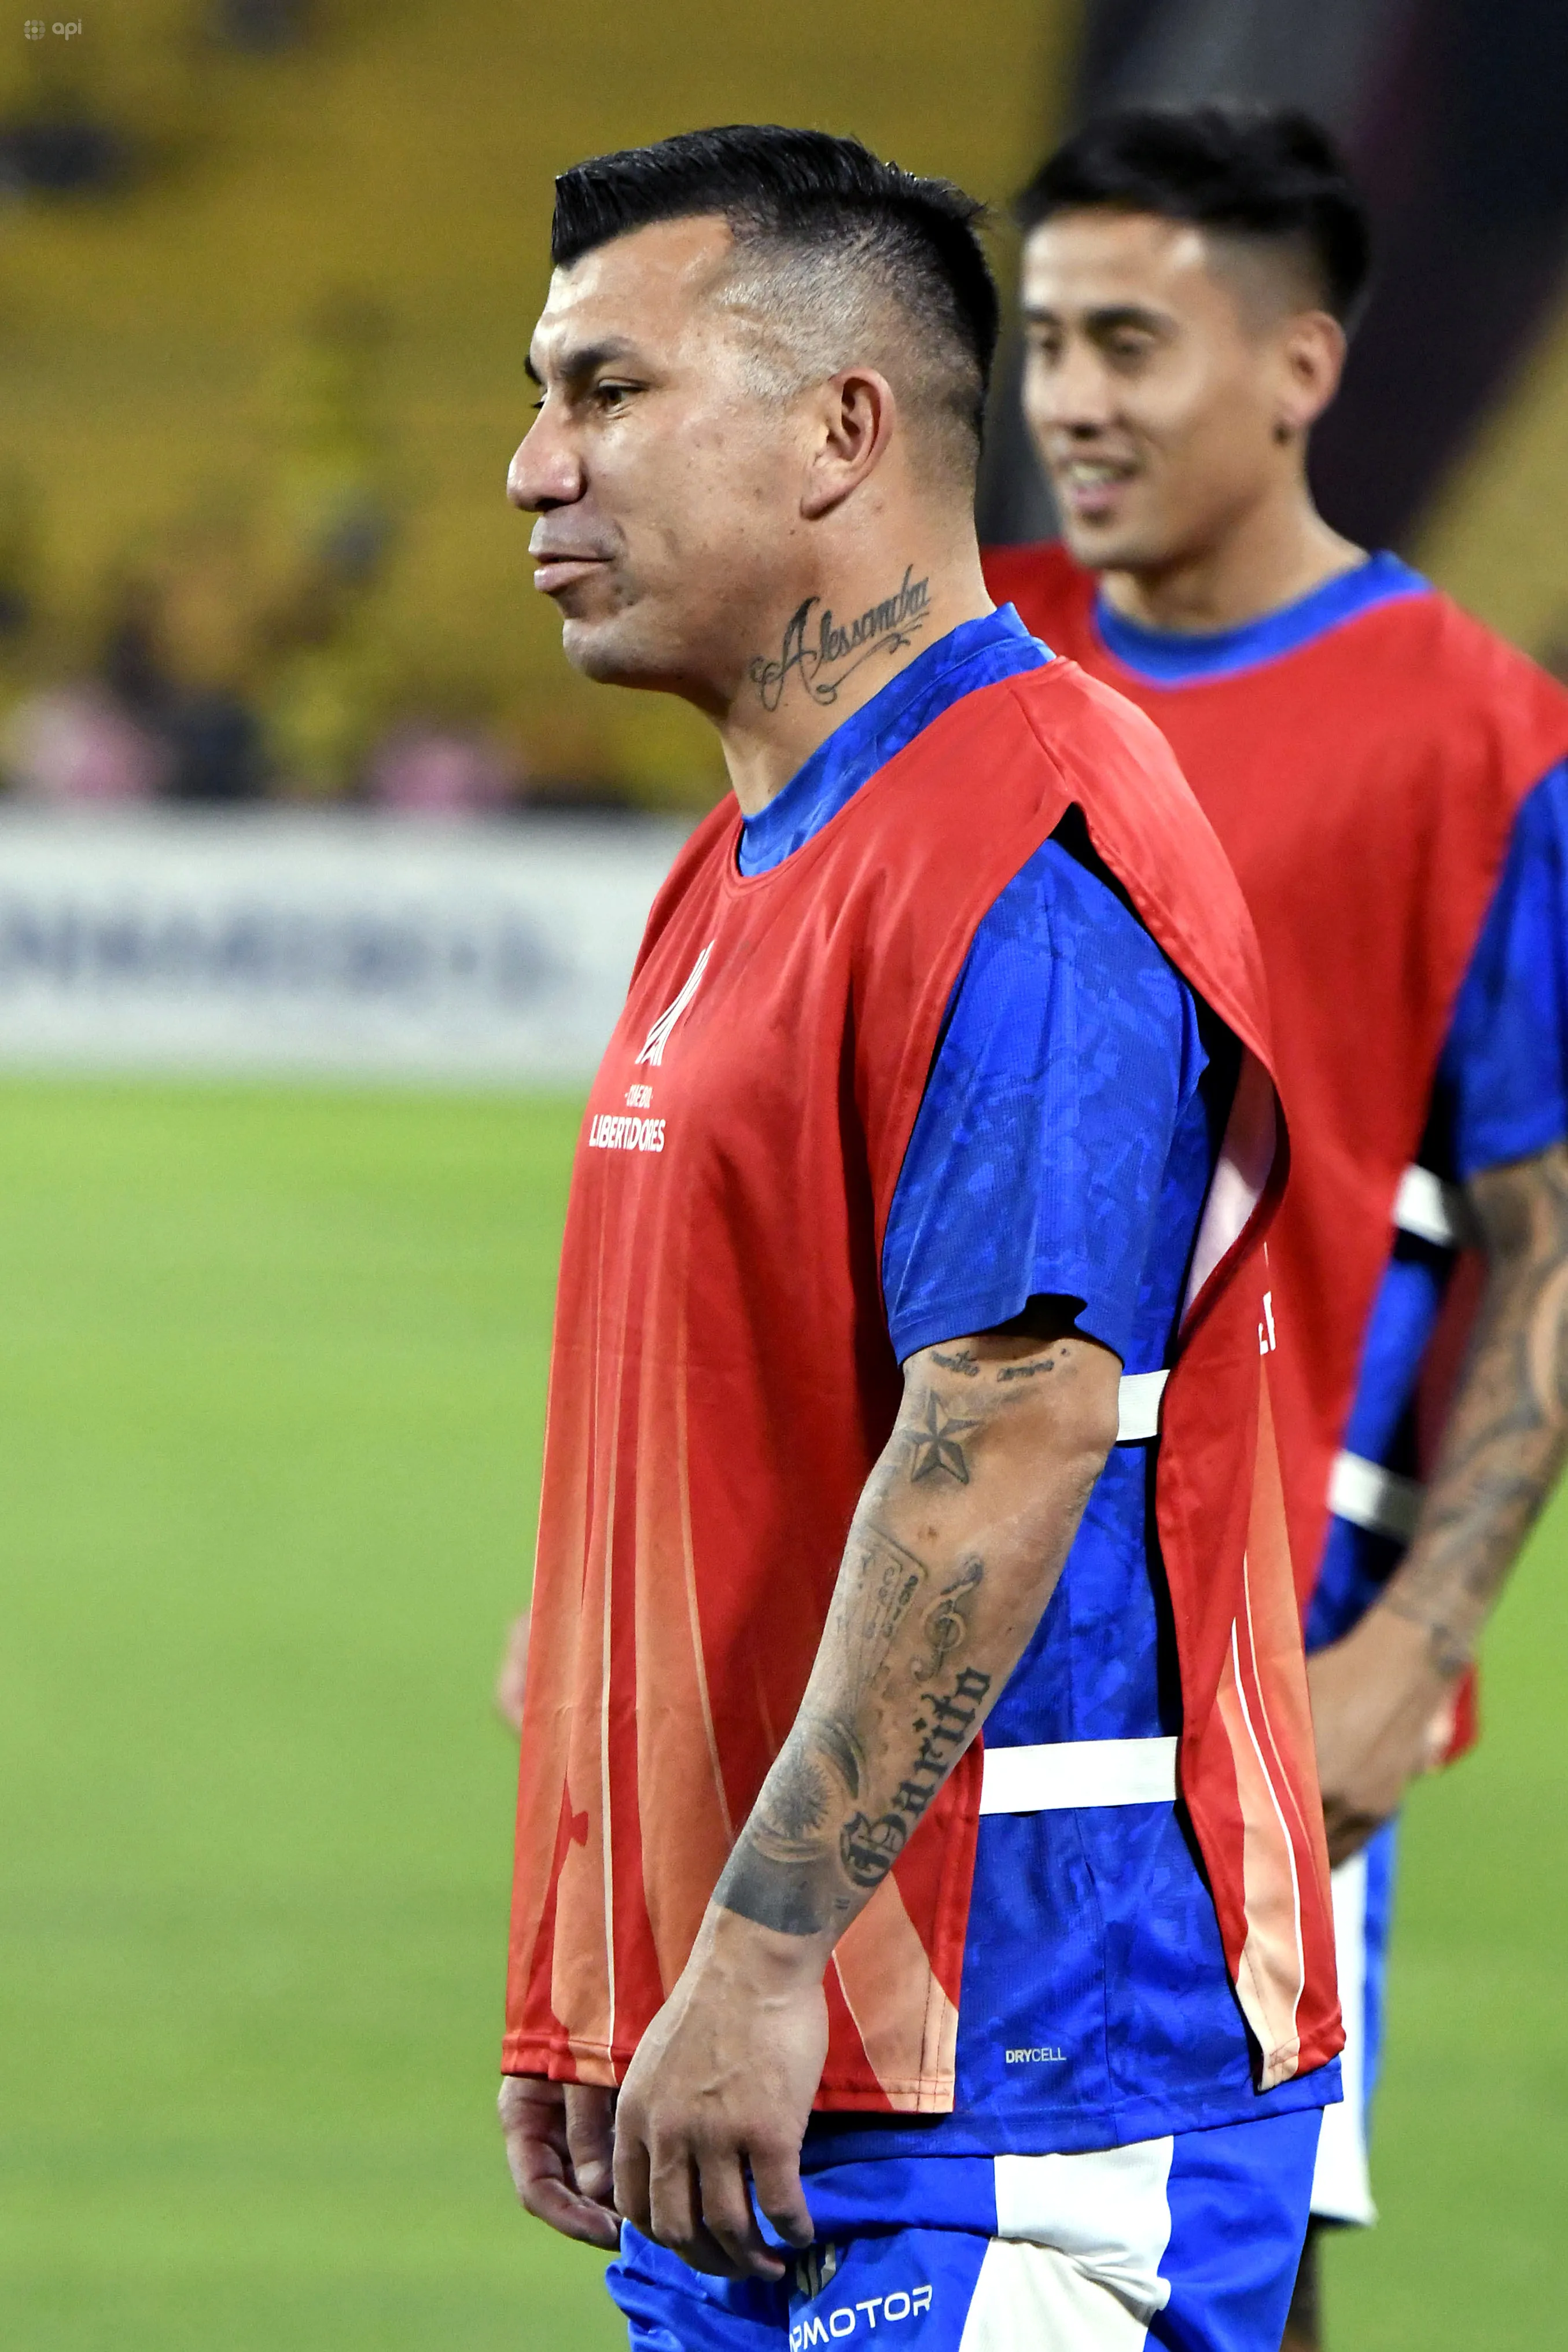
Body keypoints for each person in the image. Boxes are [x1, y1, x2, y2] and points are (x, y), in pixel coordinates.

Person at [498, 124, 1342, 2352]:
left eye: (603, 392)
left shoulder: (1024, 843)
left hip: (1023, 2086)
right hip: (777, 2088)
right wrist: (602, 1967)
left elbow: (1018, 1413)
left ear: (839, 433)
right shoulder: (743, 860)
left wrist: (755, 1959)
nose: (528, 468)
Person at [983, 103, 1568, 2351]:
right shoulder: (968, 655)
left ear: (1298, 368)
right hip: (923, 1616)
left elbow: (1539, 1230)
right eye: (1039, 341)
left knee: (1209, 2265)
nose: (1065, 403)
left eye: (1125, 342)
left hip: (1250, 1643)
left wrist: (1412, 1643)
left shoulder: (1475, 738)